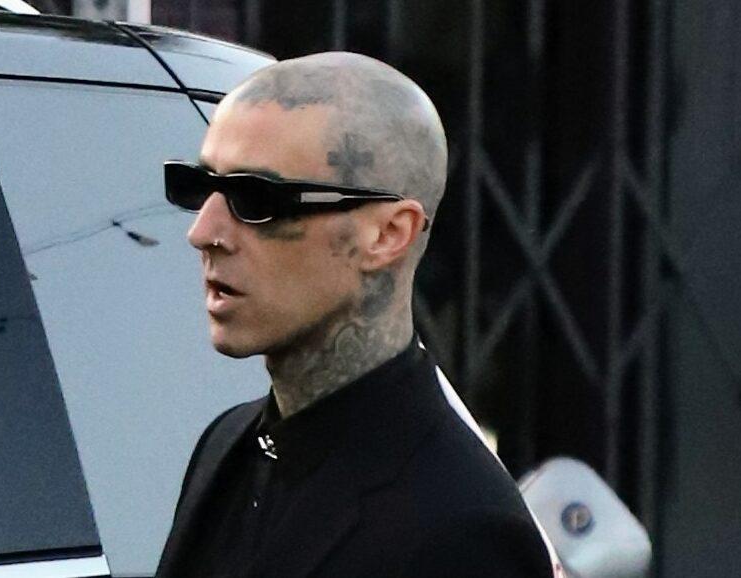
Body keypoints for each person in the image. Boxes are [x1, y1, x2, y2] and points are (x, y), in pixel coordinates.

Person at [155, 51, 553, 578]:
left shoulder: (463, 524)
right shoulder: (226, 444)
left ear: (388, 234)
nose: (203, 233)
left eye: (256, 198)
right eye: (200, 186)